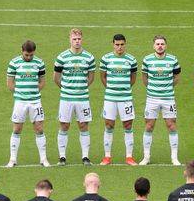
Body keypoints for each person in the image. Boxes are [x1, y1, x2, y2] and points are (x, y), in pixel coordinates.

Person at [54, 28, 95, 166]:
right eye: (74, 39)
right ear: (70, 39)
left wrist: (81, 87)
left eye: (79, 39)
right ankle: (62, 157)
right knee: (64, 125)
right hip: (66, 98)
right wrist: (66, 88)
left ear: (82, 39)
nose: (77, 41)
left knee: (83, 125)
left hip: (83, 98)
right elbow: (56, 78)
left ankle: (85, 157)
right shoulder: (62, 57)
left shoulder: (89, 57)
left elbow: (91, 77)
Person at [6, 40, 48, 167]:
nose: (29, 57)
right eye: (26, 55)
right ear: (22, 51)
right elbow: (10, 83)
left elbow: (42, 81)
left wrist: (33, 92)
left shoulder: (39, 63)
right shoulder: (14, 63)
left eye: (31, 55)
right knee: (17, 128)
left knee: (39, 129)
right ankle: (12, 159)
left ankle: (43, 159)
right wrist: (21, 93)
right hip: (20, 102)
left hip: (35, 101)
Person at [140, 35, 181, 166]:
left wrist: (167, 88)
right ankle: (146, 157)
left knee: (171, 125)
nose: (160, 46)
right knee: (149, 126)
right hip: (152, 99)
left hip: (168, 99)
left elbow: (176, 77)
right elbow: (145, 78)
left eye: (162, 44)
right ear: (154, 46)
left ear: (166, 45)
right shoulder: (147, 60)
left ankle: (174, 158)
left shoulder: (173, 60)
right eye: (157, 44)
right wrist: (154, 89)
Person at [99, 34, 138, 166]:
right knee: (109, 125)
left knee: (128, 125)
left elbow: (133, 78)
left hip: (126, 99)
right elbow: (103, 77)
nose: (119, 47)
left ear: (125, 44)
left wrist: (124, 89)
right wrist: (111, 89)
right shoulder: (106, 59)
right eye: (117, 44)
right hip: (110, 98)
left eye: (122, 44)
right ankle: (107, 156)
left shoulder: (131, 60)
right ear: (113, 44)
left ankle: (129, 157)